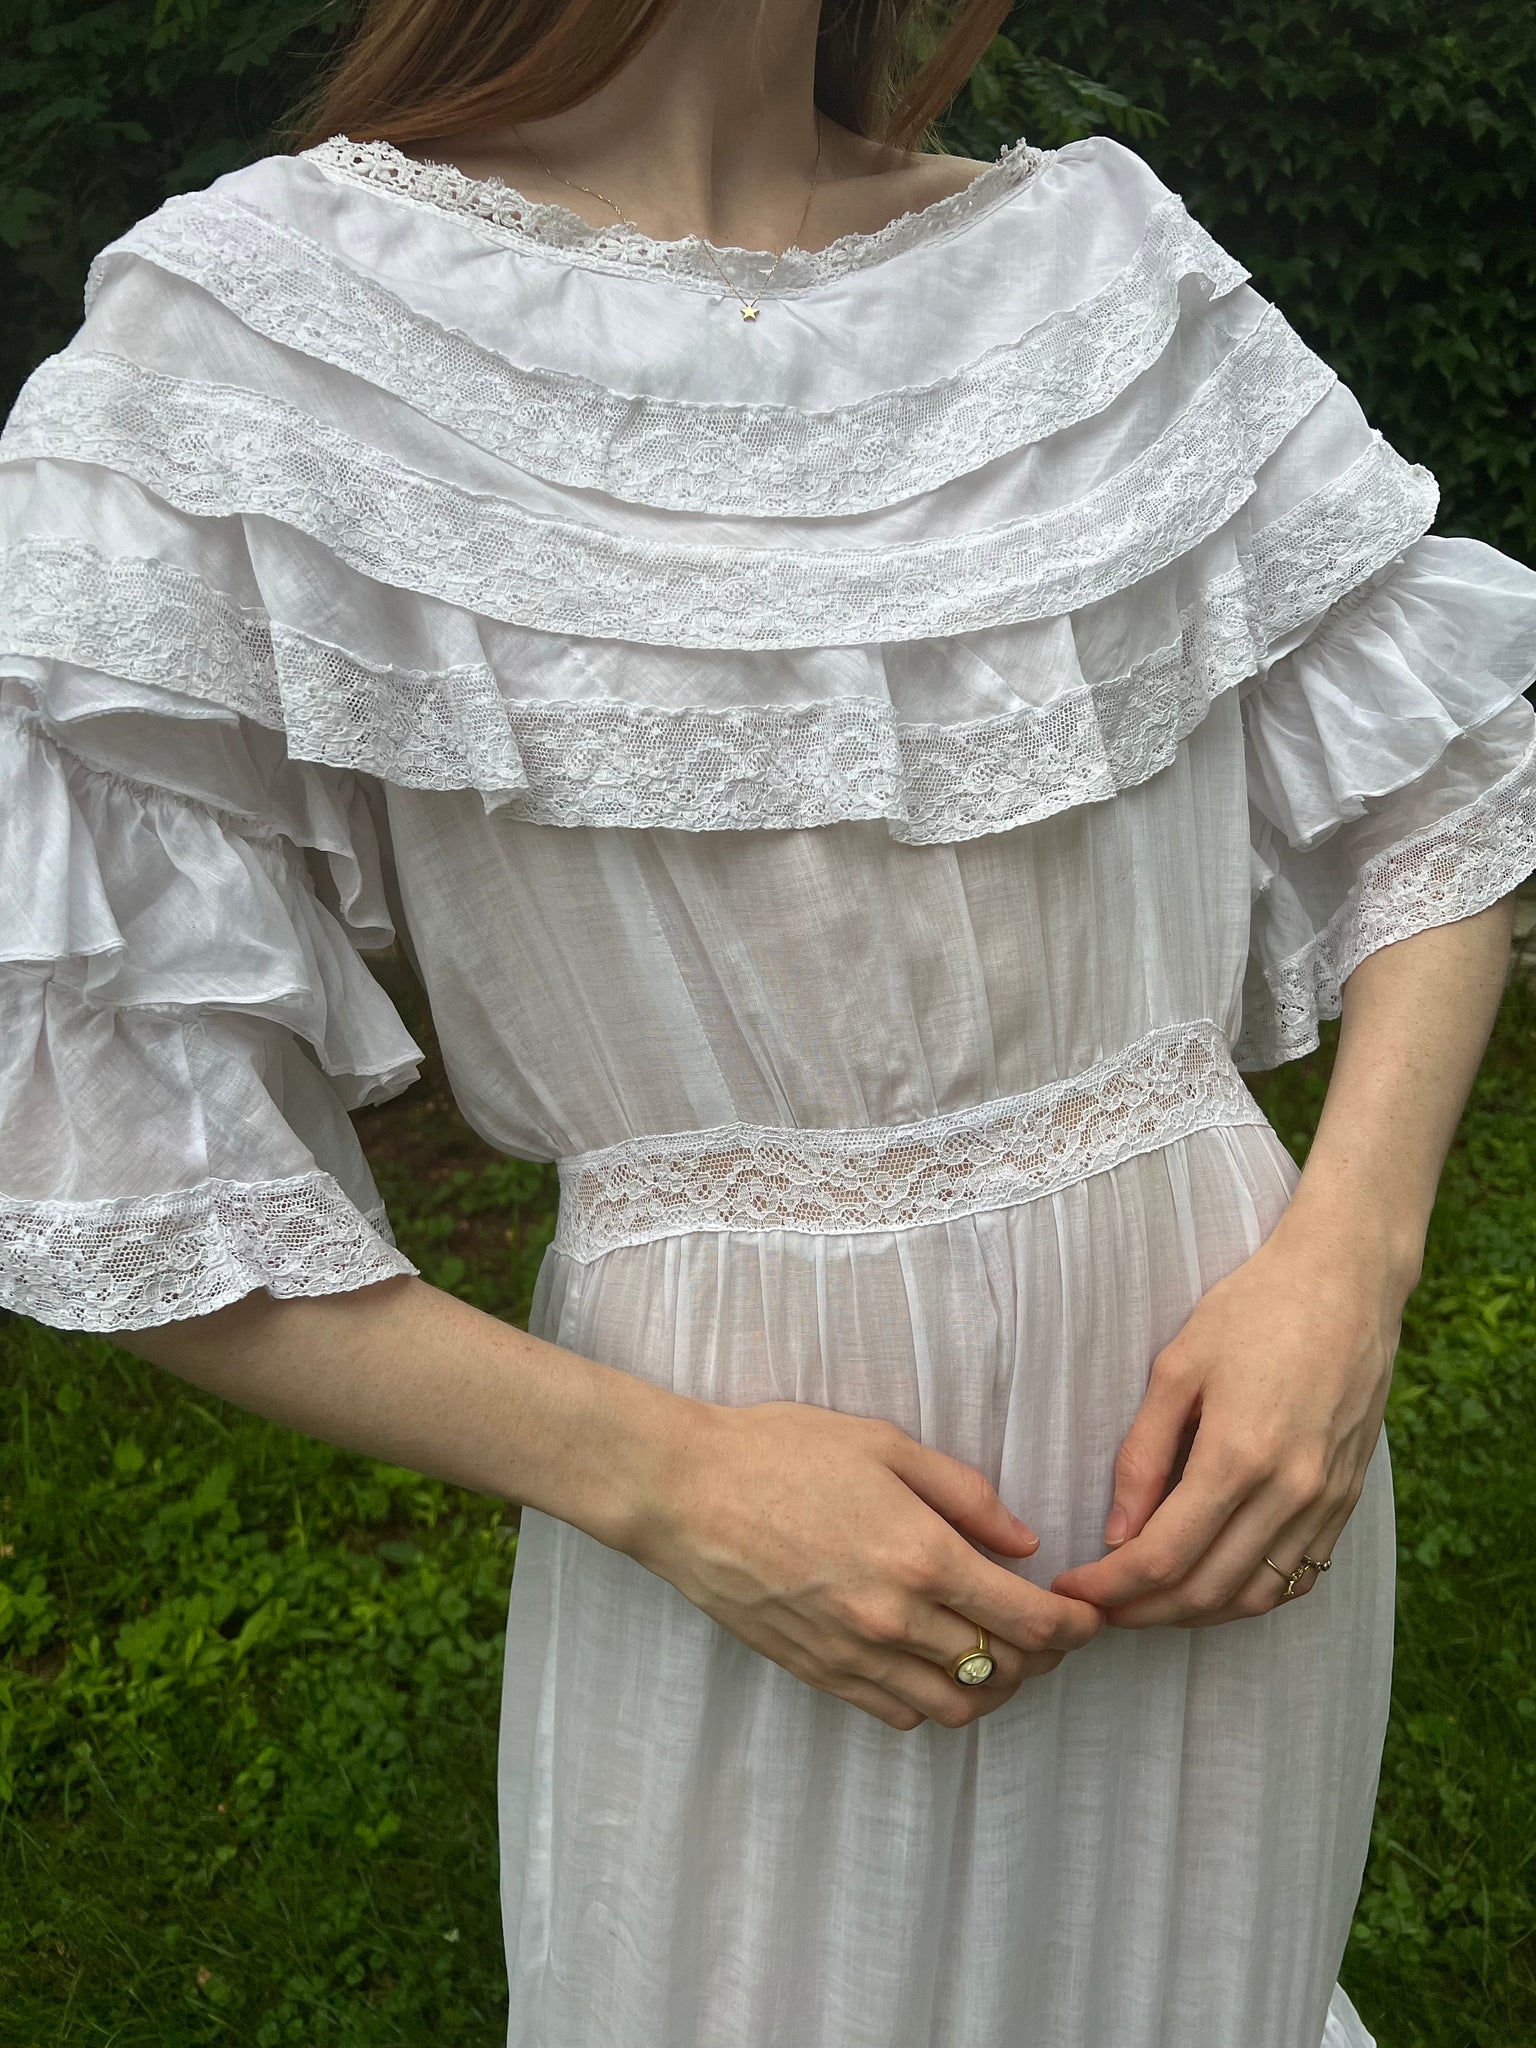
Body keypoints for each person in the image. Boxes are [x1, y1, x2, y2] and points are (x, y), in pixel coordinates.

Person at [3, 0, 1534, 2042]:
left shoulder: (1101, 267)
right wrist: (658, 1479)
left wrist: (1349, 1262)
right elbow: (76, 1101)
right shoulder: (263, 332)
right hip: (744, 1493)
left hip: (1224, 1460)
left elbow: (1445, 776)